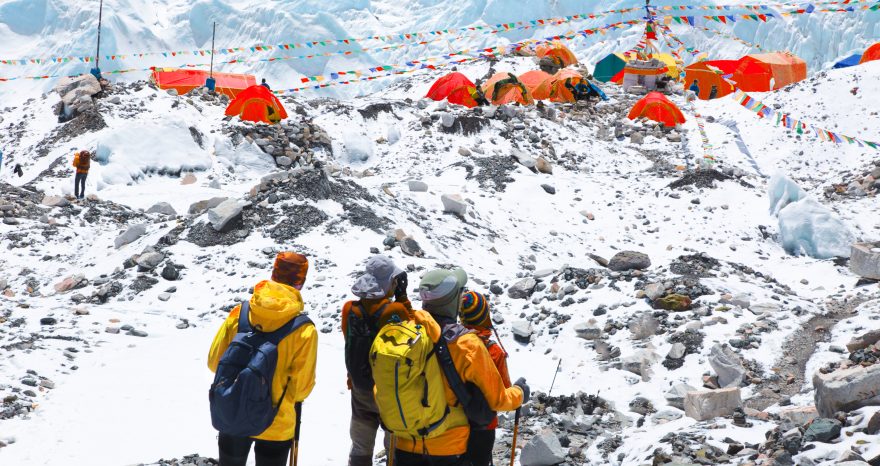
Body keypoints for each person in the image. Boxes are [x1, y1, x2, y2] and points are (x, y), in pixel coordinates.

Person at [386, 268, 528, 466]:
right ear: (452, 301)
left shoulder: (404, 331)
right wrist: (520, 393)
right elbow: (498, 400)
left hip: (405, 442)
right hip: (447, 447)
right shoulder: (465, 344)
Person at [208, 252, 318, 466]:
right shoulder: (304, 329)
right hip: (276, 422)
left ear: (273, 274)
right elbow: (301, 389)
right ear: (300, 282)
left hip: (233, 412)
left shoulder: (240, 313)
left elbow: (214, 362)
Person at [342, 255, 413, 466]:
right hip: (389, 390)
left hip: (359, 386)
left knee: (361, 445)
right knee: (394, 443)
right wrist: (402, 297)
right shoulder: (395, 311)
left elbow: (349, 340)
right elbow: (412, 332)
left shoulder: (349, 309)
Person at [460, 291, 511, 466]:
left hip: (454, 424)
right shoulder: (494, 351)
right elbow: (504, 393)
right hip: (484, 426)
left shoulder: (453, 343)